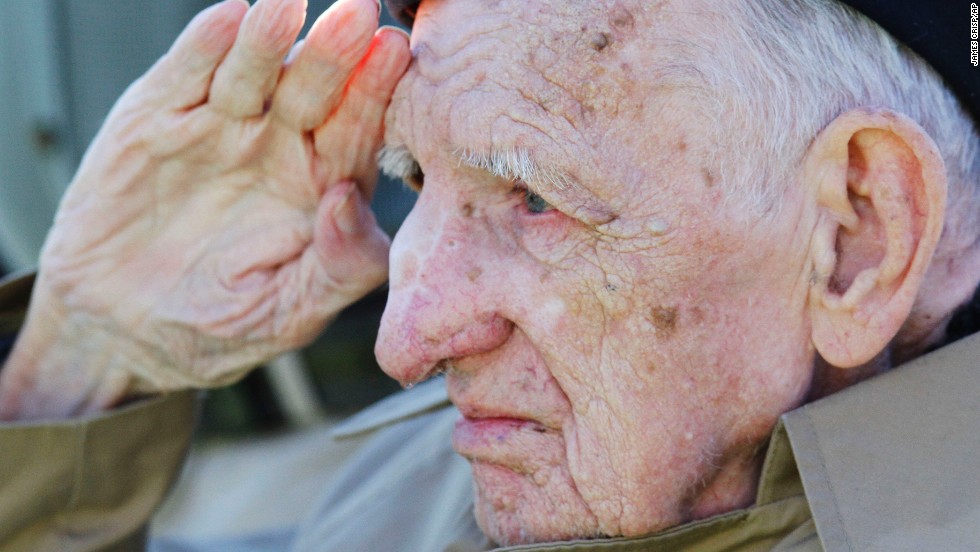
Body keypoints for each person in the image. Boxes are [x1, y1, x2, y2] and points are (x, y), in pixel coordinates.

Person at [0, 0, 977, 550]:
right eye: (414, 176)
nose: (403, 344)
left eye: (533, 199)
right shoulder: (422, 484)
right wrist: (82, 359)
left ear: (856, 235)